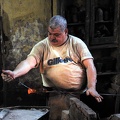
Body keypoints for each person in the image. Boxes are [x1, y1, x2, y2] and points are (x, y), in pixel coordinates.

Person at [1, 15, 103, 120]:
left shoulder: (77, 44)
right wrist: (15, 73)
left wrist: (91, 87)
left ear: (66, 31)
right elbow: (28, 62)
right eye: (50, 34)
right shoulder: (42, 46)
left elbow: (90, 66)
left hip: (78, 95)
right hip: (55, 95)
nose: (52, 38)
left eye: (56, 35)